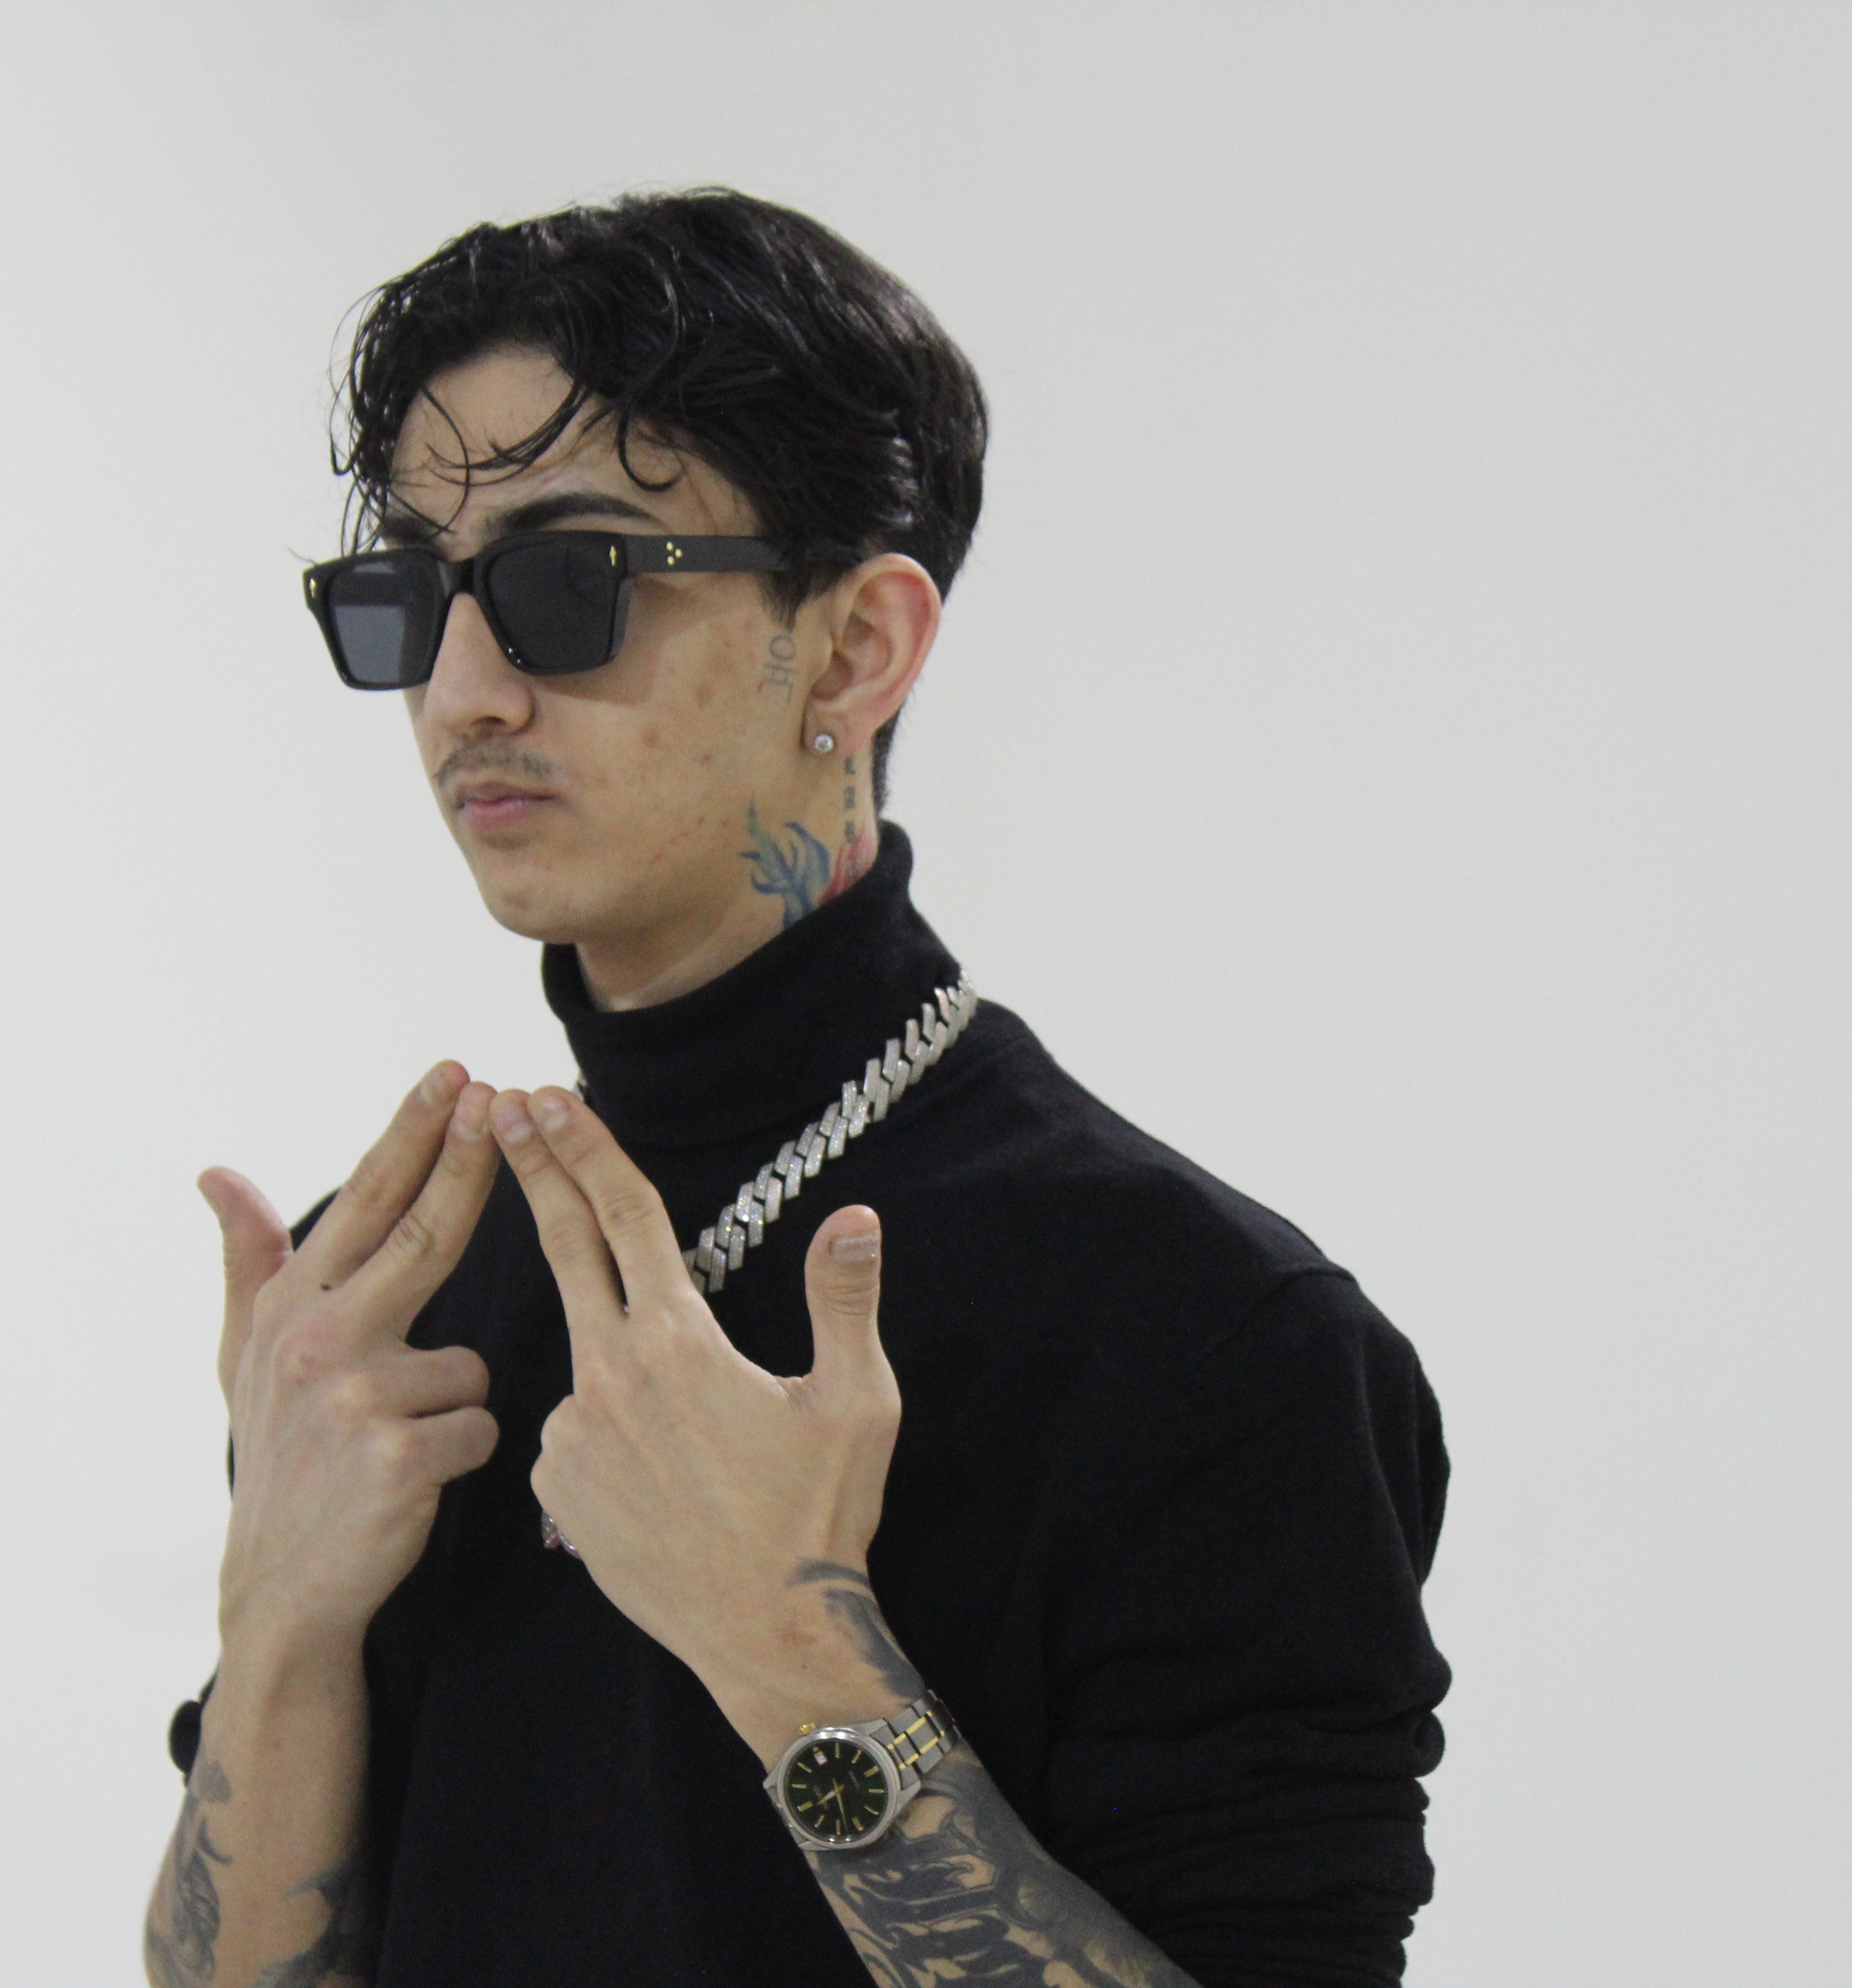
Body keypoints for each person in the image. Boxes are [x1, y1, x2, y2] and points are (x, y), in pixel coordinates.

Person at [144, 189, 1449, 1988]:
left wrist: (787, 1651)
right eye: (414, 597)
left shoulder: (1207, 1334)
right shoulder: (378, 1308)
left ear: (853, 650)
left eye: (567, 585)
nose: (459, 695)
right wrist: (278, 1621)